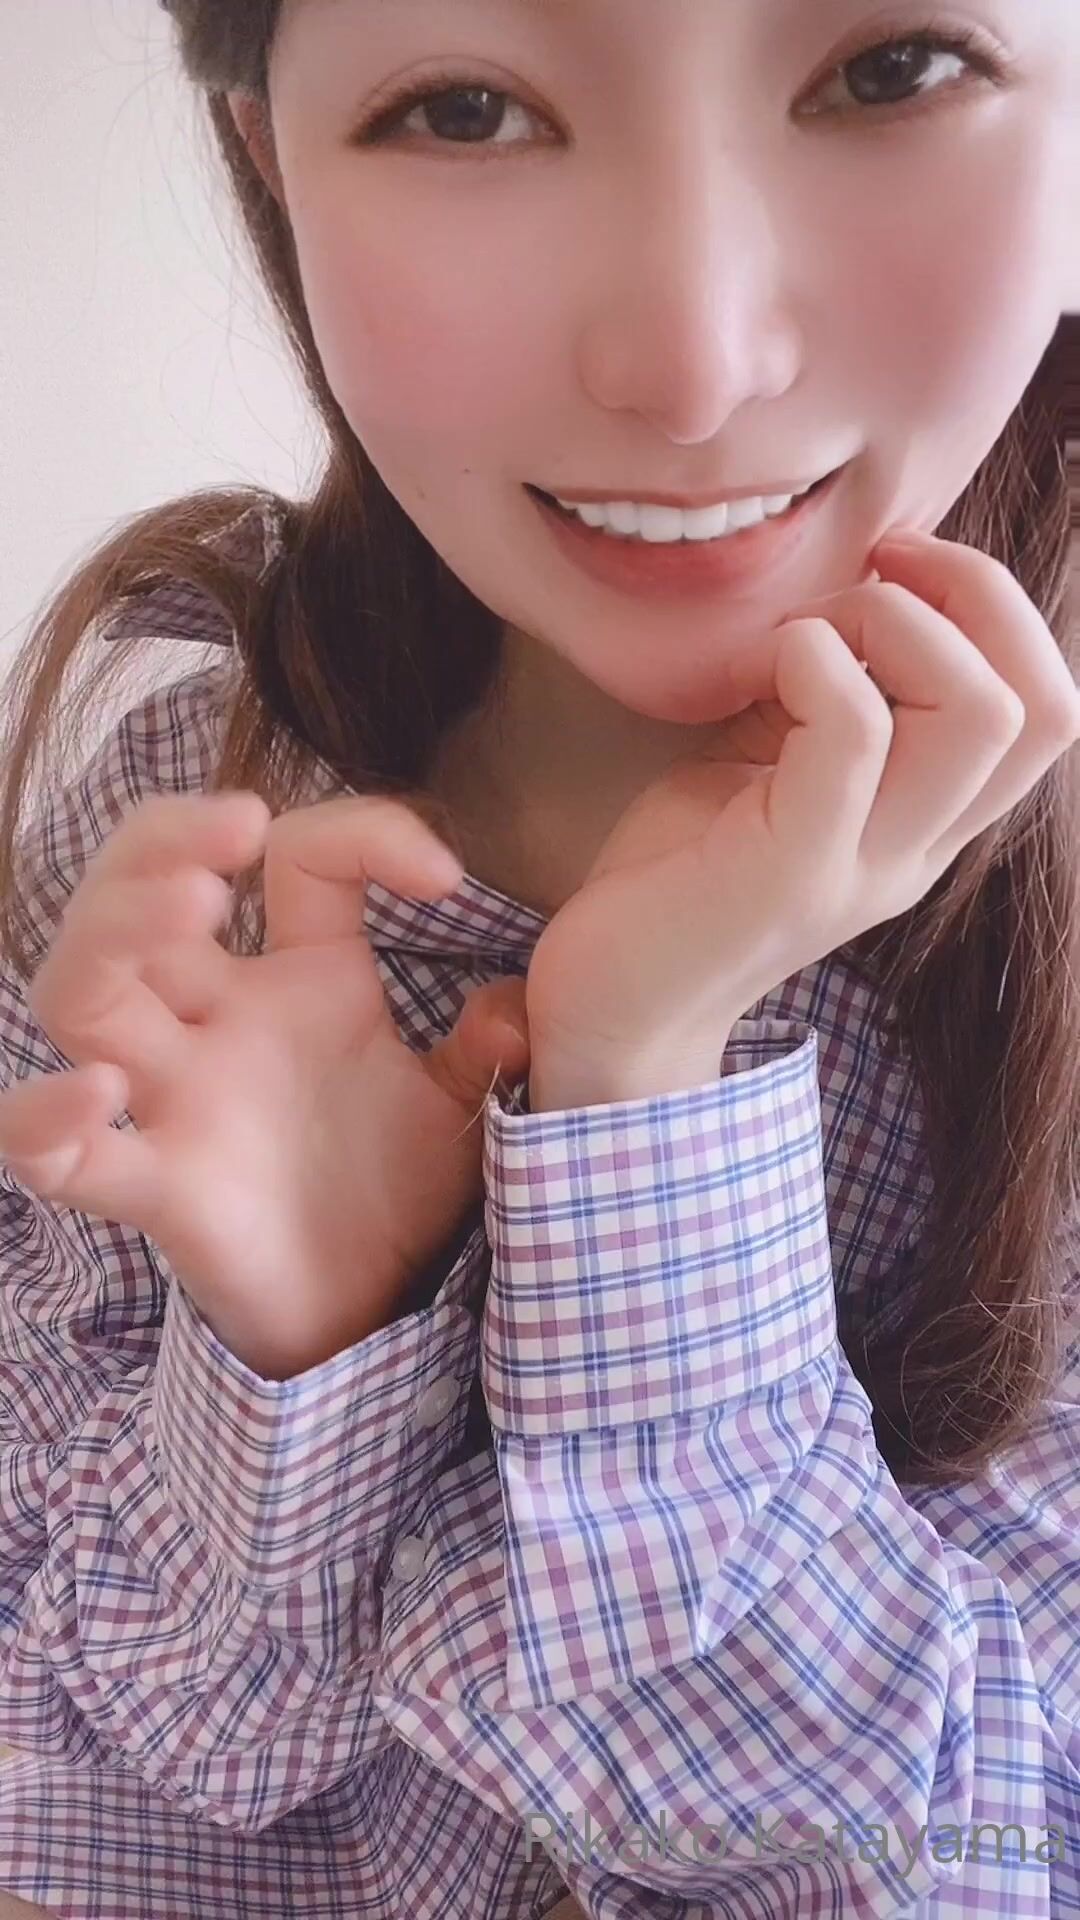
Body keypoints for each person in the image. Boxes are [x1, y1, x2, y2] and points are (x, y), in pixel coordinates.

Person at [0, 0, 1078, 1915]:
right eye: (465, 109)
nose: (690, 363)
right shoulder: (191, 806)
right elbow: (124, 1760)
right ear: (269, 157)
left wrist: (642, 1085)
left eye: (893, 68)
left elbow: (971, 1861)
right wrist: (300, 1352)